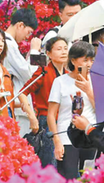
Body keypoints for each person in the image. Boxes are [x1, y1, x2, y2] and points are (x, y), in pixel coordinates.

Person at [47, 41, 96, 180]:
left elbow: (102, 111)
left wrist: (89, 91)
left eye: (91, 60)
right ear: (73, 60)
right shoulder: (60, 81)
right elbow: (51, 114)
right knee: (68, 178)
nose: (89, 64)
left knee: (88, 178)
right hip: (66, 136)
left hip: (90, 134)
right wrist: (56, 140)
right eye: (85, 60)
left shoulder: (95, 81)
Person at [18, 36, 69, 167]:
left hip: (65, 121)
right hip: (47, 121)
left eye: (65, 48)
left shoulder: (68, 74)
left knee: (65, 162)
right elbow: (22, 93)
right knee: (50, 163)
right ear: (48, 54)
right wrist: (31, 116)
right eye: (59, 49)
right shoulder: (43, 72)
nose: (63, 52)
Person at [4, 8, 41, 136]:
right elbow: (30, 76)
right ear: (20, 25)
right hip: (17, 103)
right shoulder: (8, 45)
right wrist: (34, 51)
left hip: (16, 103)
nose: (27, 37)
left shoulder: (6, 43)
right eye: (28, 32)